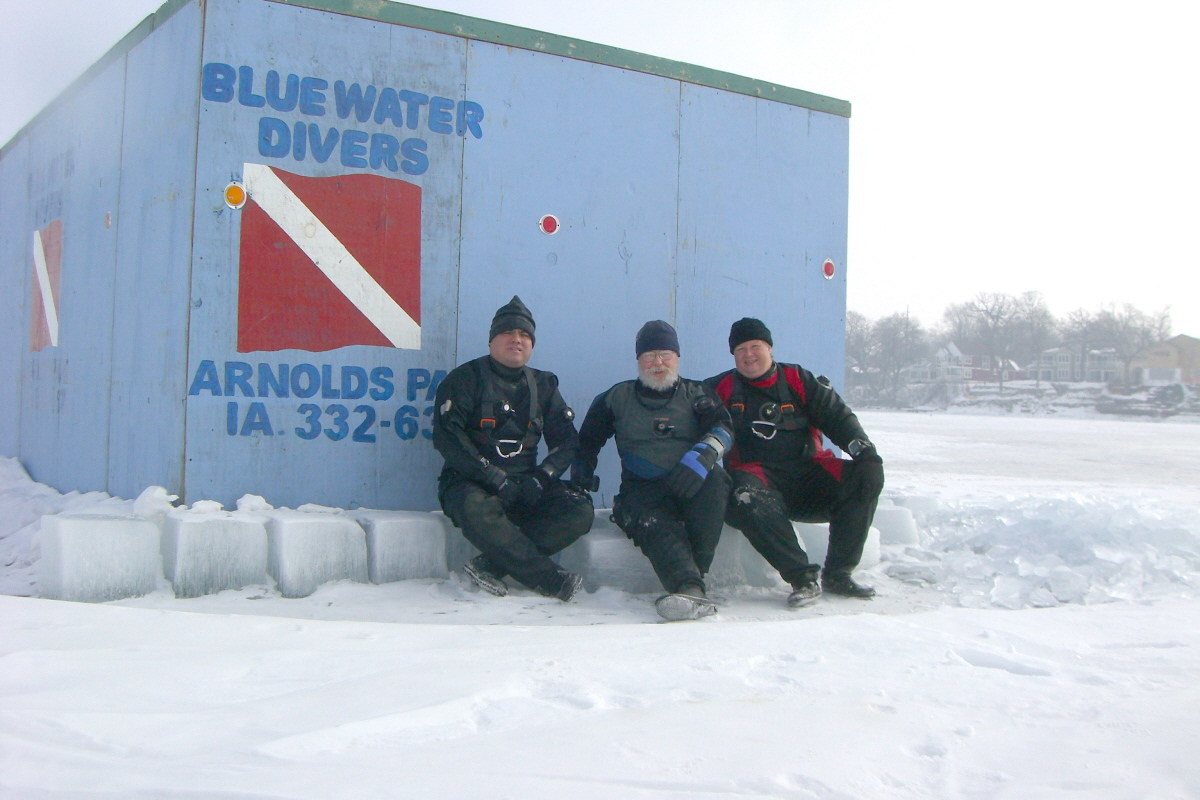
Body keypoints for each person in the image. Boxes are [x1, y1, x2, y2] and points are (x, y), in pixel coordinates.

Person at [705, 317, 884, 607]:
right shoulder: (719, 388)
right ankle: (802, 577)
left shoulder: (799, 380)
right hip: (756, 485)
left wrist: (866, 455)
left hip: (809, 476)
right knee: (743, 493)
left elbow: (839, 418)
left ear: (770, 348)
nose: (749, 355)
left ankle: (839, 574)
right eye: (740, 350)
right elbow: (686, 414)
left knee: (860, 478)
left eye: (755, 346)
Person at [433, 296, 593, 601]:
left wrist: (543, 477)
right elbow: (447, 438)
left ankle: (489, 566)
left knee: (578, 510)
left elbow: (567, 441)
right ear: (492, 340)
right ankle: (549, 580)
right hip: (472, 482)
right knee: (474, 506)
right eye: (508, 333)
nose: (516, 340)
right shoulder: (464, 379)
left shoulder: (544, 385)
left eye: (524, 335)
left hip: (526, 484)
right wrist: (492, 477)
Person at [572, 320, 733, 621]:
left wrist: (704, 454)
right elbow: (586, 443)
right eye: (649, 355)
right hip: (641, 492)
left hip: (689, 484)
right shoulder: (616, 398)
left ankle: (697, 573)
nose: (657, 363)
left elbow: (724, 428)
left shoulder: (698, 394)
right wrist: (581, 476)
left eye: (664, 354)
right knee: (653, 523)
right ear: (638, 361)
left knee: (718, 480)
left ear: (677, 357)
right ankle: (689, 587)